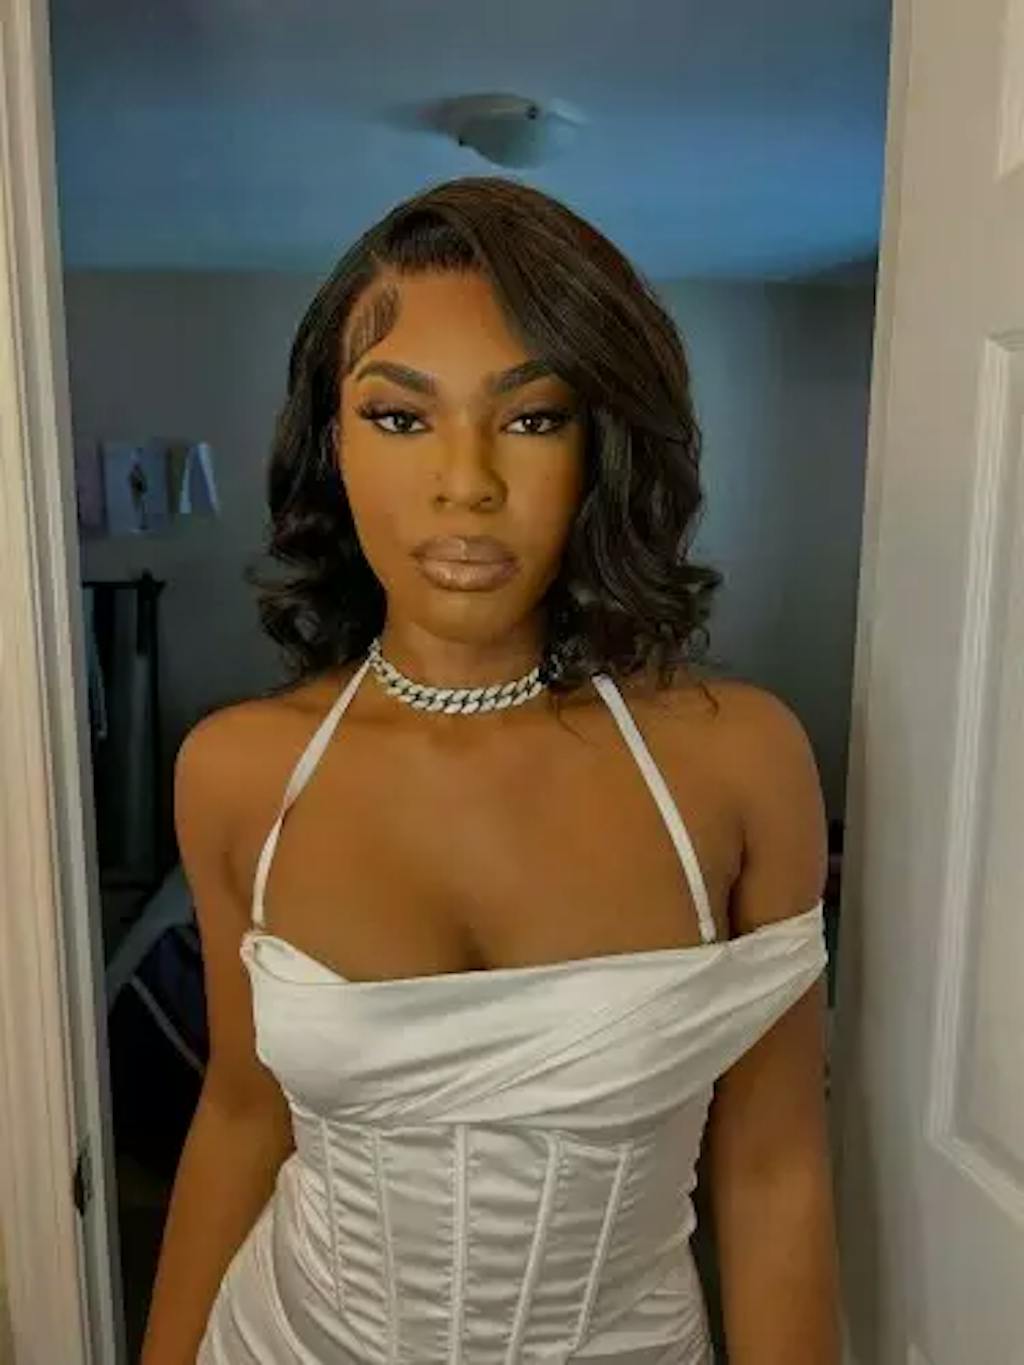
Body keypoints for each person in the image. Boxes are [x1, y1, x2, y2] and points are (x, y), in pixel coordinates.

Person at [141, 177, 839, 1364]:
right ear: (331, 444)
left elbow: (774, 1170)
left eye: (532, 418)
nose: (465, 482)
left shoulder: (737, 764)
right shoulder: (238, 772)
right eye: (398, 417)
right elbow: (242, 1112)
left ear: (602, 445)